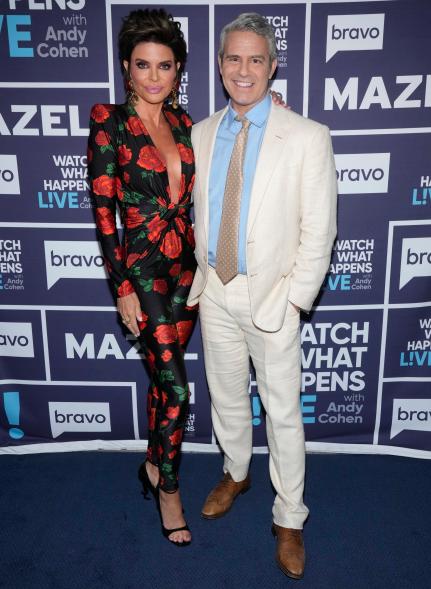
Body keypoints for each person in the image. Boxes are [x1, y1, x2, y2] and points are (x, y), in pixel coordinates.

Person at [188, 13, 337, 578]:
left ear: (273, 65)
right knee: (225, 395)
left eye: (255, 59)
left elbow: (319, 230)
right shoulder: (201, 132)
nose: (243, 70)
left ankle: (290, 518)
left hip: (273, 299)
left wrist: (296, 300)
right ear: (220, 66)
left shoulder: (306, 136)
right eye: (233, 59)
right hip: (216, 290)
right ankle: (235, 470)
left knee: (282, 416)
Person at [88, 9, 197, 546]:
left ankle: (155, 463)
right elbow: (103, 212)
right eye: (143, 65)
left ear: (178, 71)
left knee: (161, 381)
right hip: (142, 271)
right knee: (178, 389)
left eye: (165, 66)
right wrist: (122, 287)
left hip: (187, 270)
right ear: (127, 69)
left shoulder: (184, 123)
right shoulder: (108, 122)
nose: (154, 77)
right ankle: (169, 491)